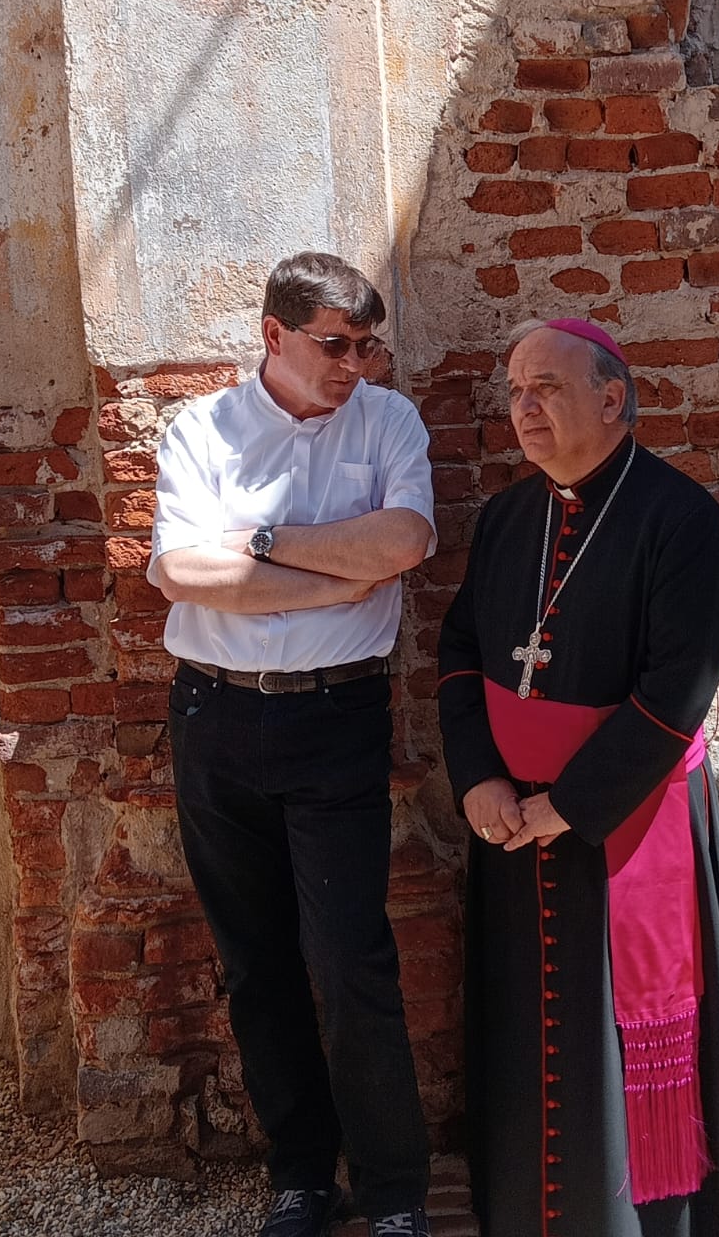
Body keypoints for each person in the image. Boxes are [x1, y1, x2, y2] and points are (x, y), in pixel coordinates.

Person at [437, 318, 719, 1237]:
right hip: (510, 822)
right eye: (516, 392)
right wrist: (477, 779)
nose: (525, 408)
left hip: (624, 821)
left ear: (612, 398)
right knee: (534, 1042)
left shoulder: (682, 519)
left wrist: (567, 806)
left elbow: (678, 694)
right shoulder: (508, 518)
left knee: (620, 1040)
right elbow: (461, 649)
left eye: (546, 387)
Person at [148, 252, 436, 1237]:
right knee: (255, 961)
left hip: (335, 717)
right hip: (214, 717)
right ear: (273, 335)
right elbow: (181, 571)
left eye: (367, 345)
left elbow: (401, 544)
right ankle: (302, 1177)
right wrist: (334, 579)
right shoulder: (203, 429)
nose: (355, 364)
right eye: (335, 344)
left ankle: (394, 1193)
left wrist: (261, 540)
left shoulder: (388, 422)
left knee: (351, 958)